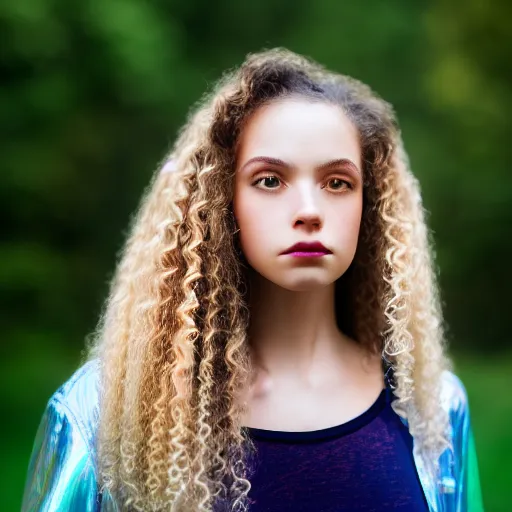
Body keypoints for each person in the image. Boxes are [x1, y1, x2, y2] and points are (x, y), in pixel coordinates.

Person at [21, 48, 484, 512]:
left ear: (370, 205)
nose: (308, 210)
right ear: (223, 199)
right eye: (269, 180)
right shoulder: (107, 415)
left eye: (338, 183)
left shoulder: (433, 410)